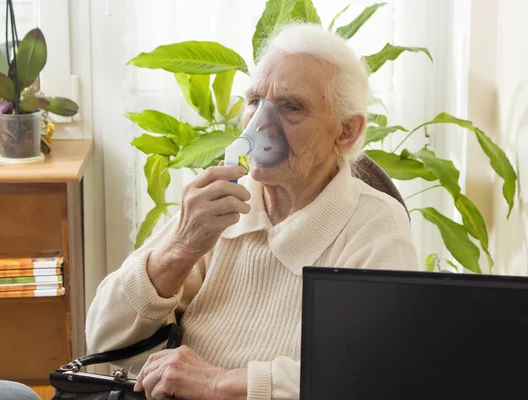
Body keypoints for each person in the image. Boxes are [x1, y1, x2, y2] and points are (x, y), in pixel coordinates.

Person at [86, 23, 418, 400]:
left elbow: (370, 379)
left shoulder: (374, 229)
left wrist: (216, 383)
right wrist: (180, 247)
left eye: (292, 107)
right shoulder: (222, 206)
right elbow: (102, 341)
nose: (261, 124)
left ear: (346, 132)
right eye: (255, 101)